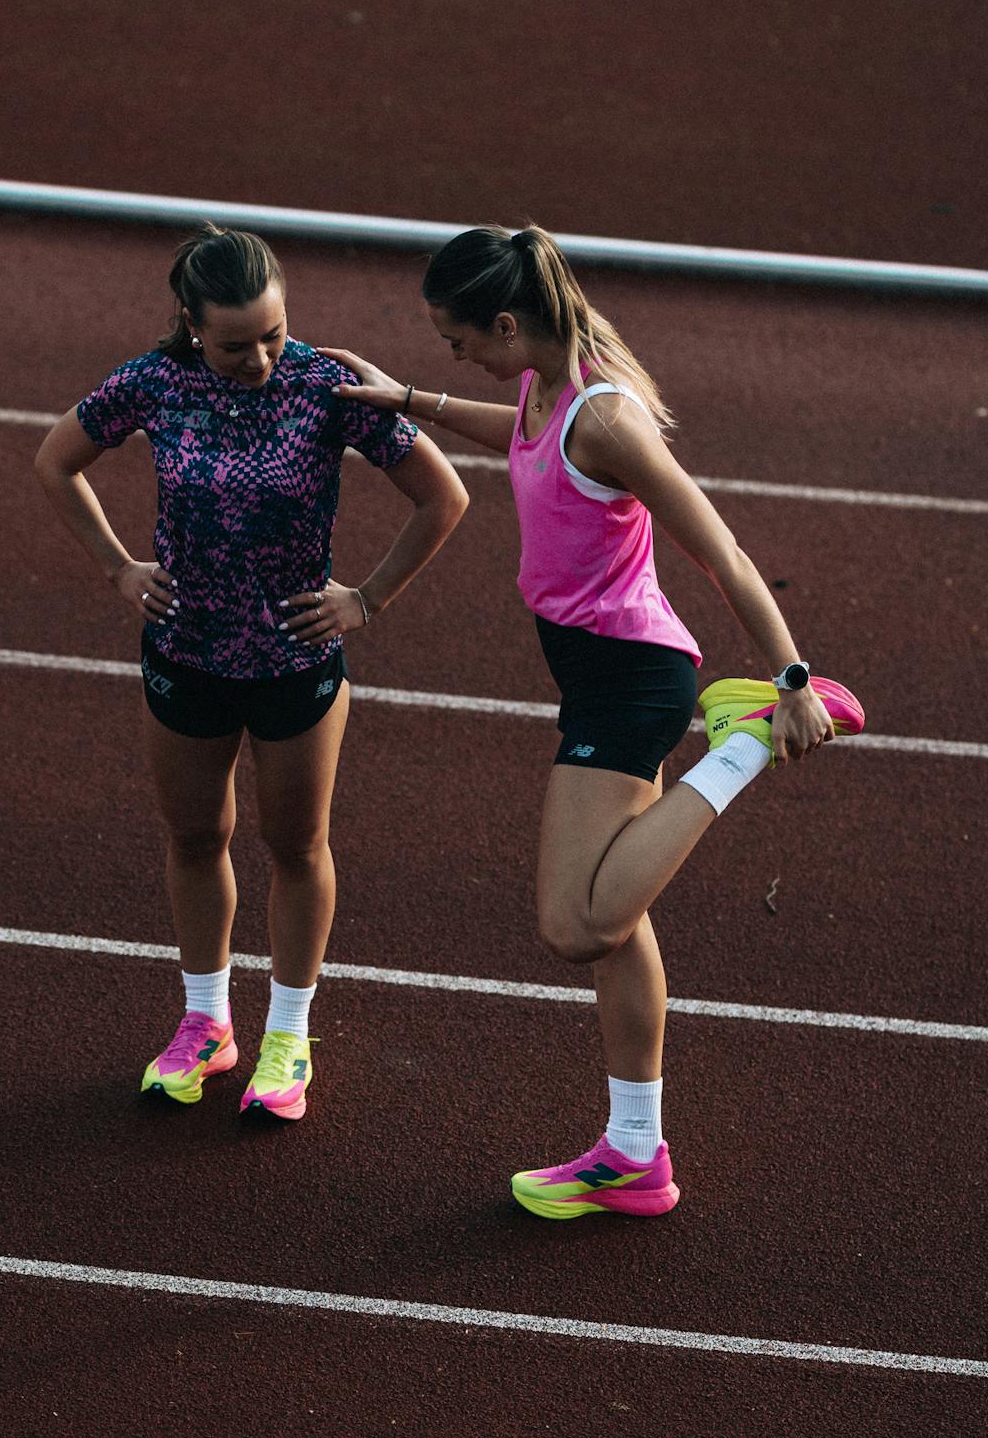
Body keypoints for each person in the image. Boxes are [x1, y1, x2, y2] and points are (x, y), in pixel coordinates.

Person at [324, 224, 862, 1214]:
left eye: (458, 343)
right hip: (596, 672)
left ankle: (737, 750)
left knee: (577, 924)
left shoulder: (606, 419)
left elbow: (723, 549)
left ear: (506, 320)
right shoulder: (543, 387)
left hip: (632, 680)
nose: (458, 358)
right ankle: (633, 1153)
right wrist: (409, 399)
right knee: (619, 929)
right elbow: (520, 436)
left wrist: (789, 678)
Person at [34, 224, 470, 1121]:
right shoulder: (152, 381)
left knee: (295, 845)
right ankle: (206, 1024)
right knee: (195, 839)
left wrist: (369, 598)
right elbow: (56, 460)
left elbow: (444, 496)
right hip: (184, 653)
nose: (262, 358)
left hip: (295, 659)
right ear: (191, 326)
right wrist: (120, 565)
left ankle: (287, 1034)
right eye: (237, 344)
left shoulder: (327, 386)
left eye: (274, 334)